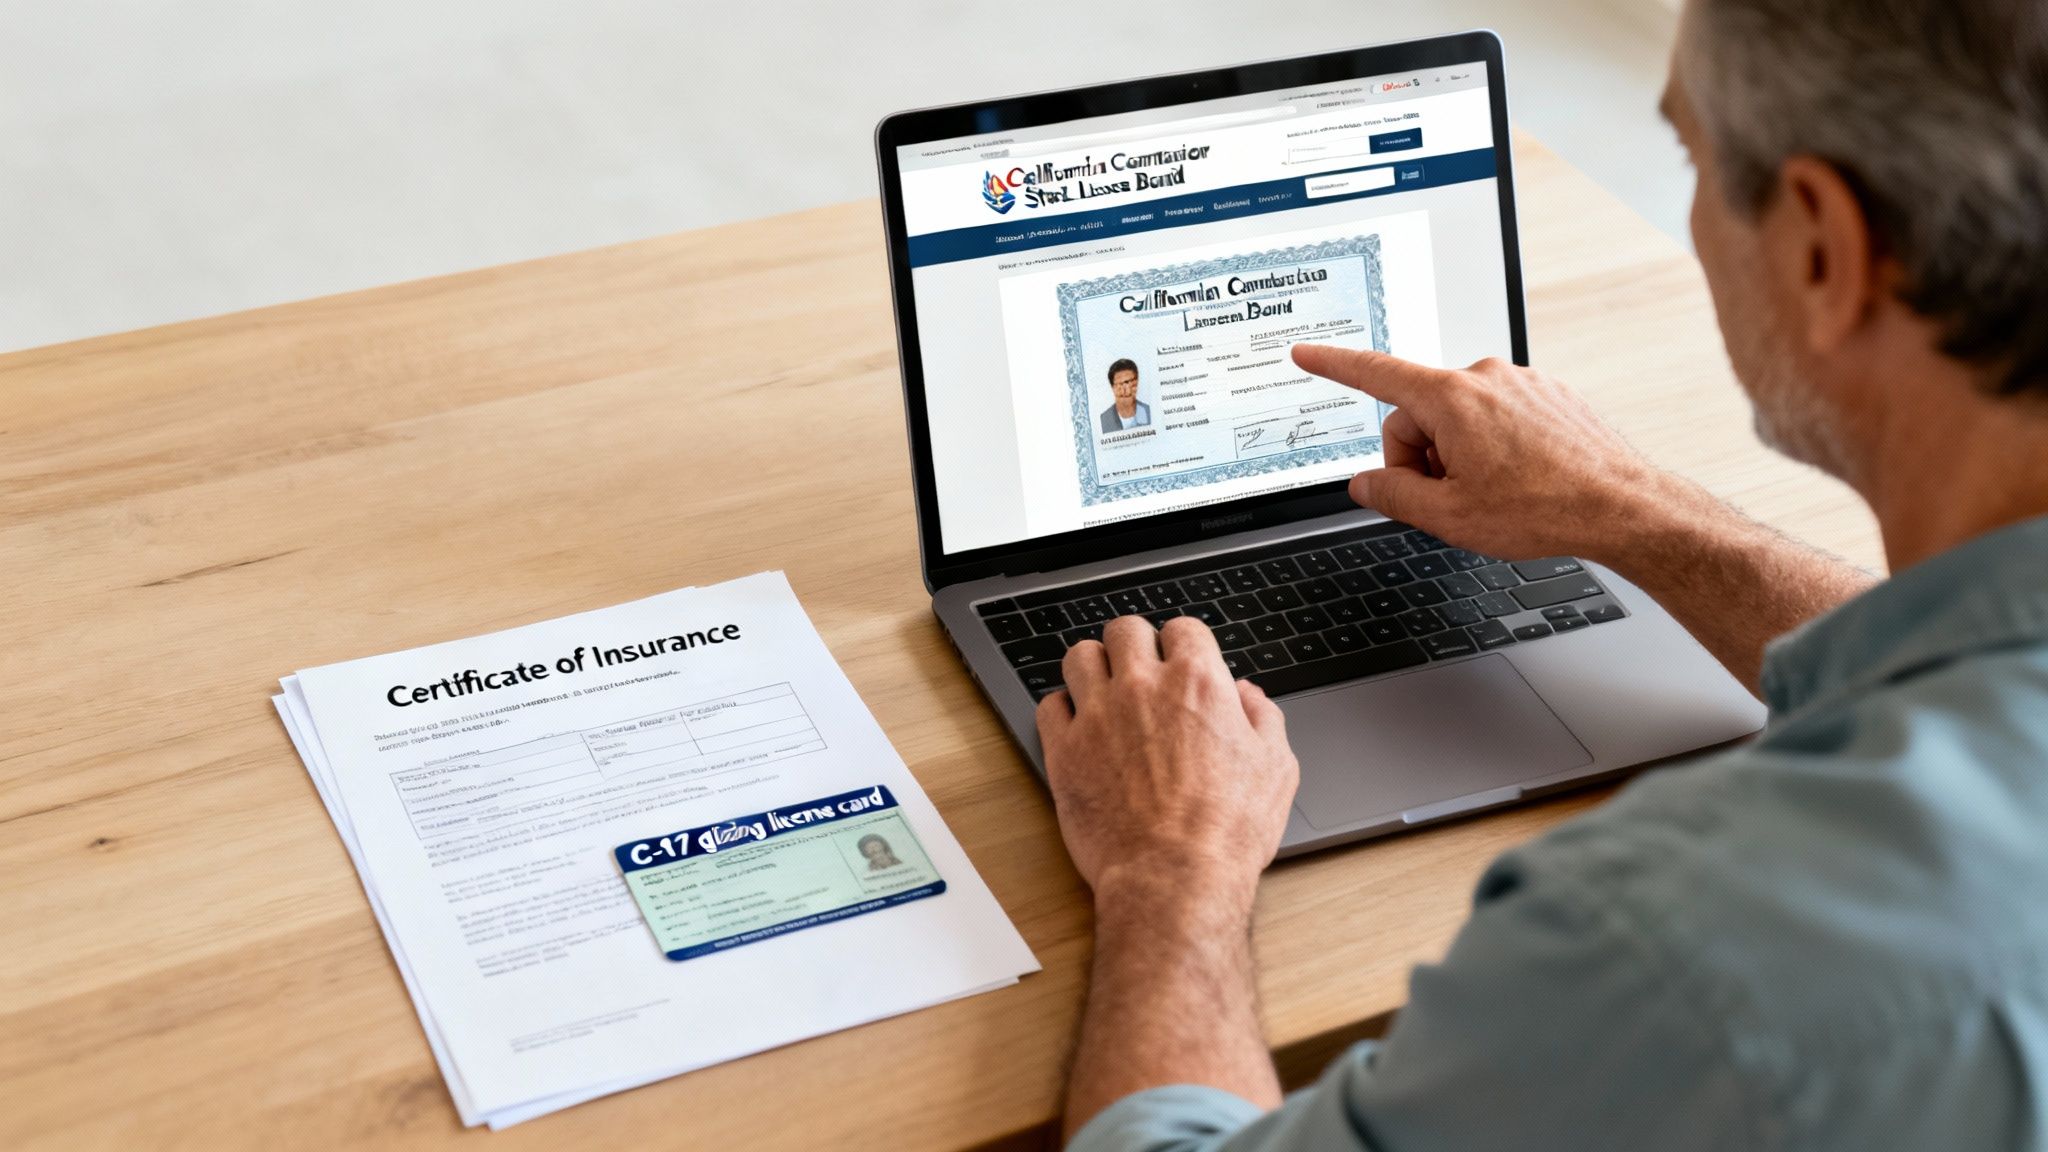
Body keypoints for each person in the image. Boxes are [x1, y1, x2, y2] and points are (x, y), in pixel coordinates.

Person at [1039, 1, 2048, 1148]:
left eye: (1692, 155)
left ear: (1822, 246)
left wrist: (1172, 865)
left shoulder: (1663, 949)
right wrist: (1630, 511)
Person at [1101, 359, 1152, 431]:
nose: (1127, 390)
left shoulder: (1150, 413)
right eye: (1121, 385)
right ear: (1113, 387)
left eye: (1131, 383)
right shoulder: (1103, 421)